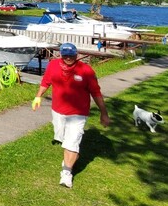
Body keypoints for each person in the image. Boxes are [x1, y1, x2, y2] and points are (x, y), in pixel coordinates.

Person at [31, 42, 110, 188]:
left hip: (78, 114)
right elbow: (46, 82)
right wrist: (38, 96)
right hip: (57, 111)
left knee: (72, 143)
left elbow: (96, 93)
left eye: (71, 55)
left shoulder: (86, 71)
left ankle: (66, 172)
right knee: (61, 137)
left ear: (76, 55)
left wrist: (103, 113)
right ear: (61, 54)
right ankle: (68, 156)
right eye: (65, 55)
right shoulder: (53, 65)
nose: (68, 58)